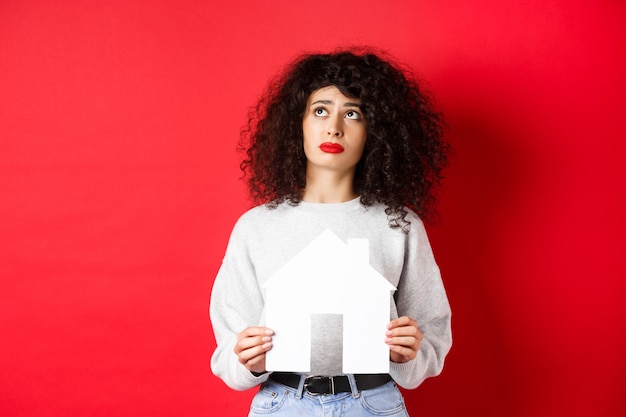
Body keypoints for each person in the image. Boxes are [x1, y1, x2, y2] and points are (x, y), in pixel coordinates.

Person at [210, 48, 452, 417]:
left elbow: (431, 338)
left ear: (376, 130)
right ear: (298, 123)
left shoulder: (398, 224)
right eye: (320, 110)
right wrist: (249, 361)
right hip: (282, 403)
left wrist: (409, 353)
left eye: (352, 113)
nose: (333, 127)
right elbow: (230, 353)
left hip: (373, 403)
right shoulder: (256, 227)